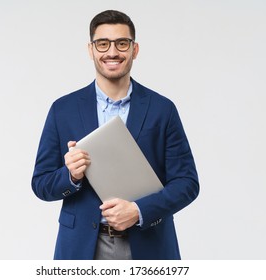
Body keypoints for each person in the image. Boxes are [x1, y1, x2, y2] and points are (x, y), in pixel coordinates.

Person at [31, 10, 199, 260]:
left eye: (122, 43)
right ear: (91, 50)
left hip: (148, 246)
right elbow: (41, 184)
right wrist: (71, 176)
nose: (112, 52)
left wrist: (139, 210)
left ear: (135, 49)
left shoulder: (162, 109)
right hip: (81, 249)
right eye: (103, 44)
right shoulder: (62, 110)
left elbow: (187, 183)